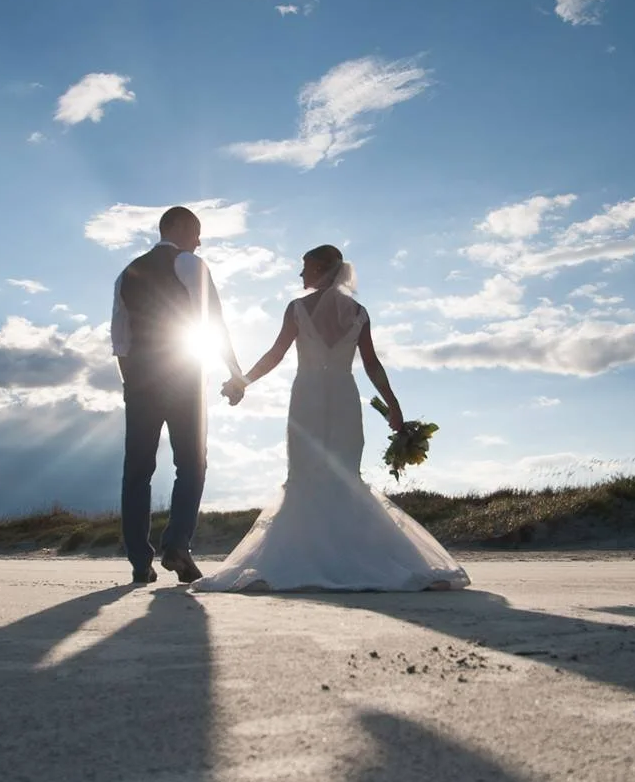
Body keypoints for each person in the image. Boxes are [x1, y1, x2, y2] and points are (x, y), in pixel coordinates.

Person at [197, 244, 468, 593]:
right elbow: (371, 365)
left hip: (308, 396)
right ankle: (359, 559)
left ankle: (302, 561)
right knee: (343, 477)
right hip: (343, 397)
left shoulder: (297, 309)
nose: (300, 275)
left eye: (306, 267)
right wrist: (393, 404)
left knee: (307, 476)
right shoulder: (359, 312)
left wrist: (243, 381)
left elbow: (276, 354)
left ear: (323, 269)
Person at [110, 205, 247, 586]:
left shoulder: (126, 274)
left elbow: (119, 339)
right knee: (192, 463)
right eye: (197, 231)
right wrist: (235, 374)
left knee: (136, 471)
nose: (199, 240)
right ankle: (176, 544)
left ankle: (140, 562)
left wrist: (132, 386)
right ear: (181, 227)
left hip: (139, 383)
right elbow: (214, 321)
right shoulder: (191, 264)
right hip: (183, 377)